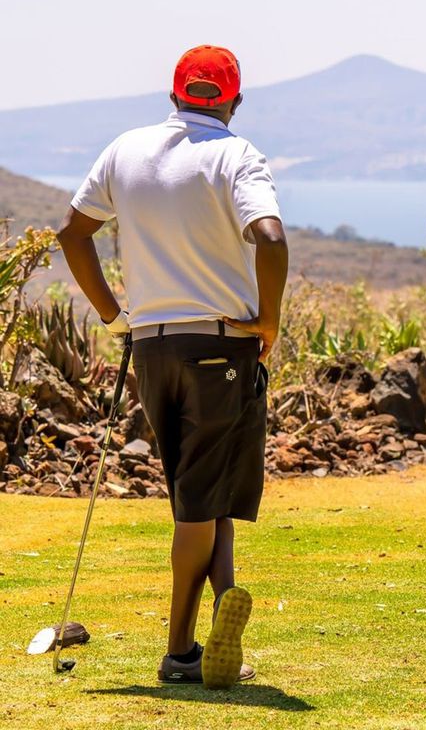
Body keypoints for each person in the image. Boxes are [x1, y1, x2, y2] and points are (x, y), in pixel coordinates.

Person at [56, 45, 289, 689]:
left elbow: (73, 234)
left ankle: (222, 606)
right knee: (199, 499)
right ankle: (182, 649)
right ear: (234, 100)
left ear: (174, 94)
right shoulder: (236, 155)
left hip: (152, 348)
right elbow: (269, 238)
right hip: (223, 347)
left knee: (197, 490)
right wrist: (268, 321)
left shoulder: (125, 149)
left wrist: (112, 316)